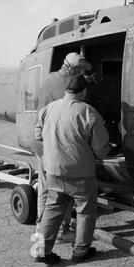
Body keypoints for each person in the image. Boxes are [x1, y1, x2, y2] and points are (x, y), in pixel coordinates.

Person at [34, 74, 110, 264]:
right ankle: (81, 251)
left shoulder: (47, 109)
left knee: (52, 210)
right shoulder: (88, 112)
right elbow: (101, 149)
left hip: (53, 171)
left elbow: (37, 138)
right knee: (85, 211)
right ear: (83, 91)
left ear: (66, 90)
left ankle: (41, 251)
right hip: (80, 174)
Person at [33, 52, 93, 243]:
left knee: (46, 190)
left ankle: (41, 235)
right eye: (81, 71)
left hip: (42, 139)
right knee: (60, 193)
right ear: (73, 70)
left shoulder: (50, 78)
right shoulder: (68, 87)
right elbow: (73, 110)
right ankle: (60, 233)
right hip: (55, 144)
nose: (83, 74)